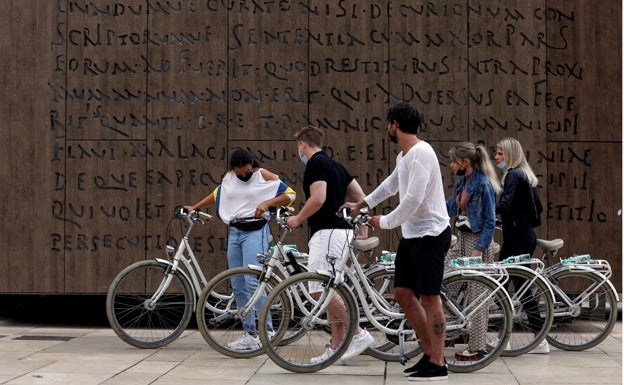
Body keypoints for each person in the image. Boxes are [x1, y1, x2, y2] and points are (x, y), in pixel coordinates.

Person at [343, 102, 451, 381]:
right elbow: (392, 184)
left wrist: (386, 221)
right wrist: (363, 203)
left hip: (432, 234)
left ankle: (438, 363)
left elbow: (413, 200)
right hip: (413, 235)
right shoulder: (405, 156)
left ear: (396, 125)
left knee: (430, 297)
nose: (387, 128)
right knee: (403, 293)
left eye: (389, 123)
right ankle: (428, 354)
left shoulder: (421, 153)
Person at [186, 149, 296, 350]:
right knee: (237, 283)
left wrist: (267, 202)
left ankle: (267, 331)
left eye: (246, 172)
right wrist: (196, 207)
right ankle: (250, 333)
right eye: (239, 173)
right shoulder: (229, 178)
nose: (243, 175)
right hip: (236, 231)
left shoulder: (262, 175)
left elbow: (290, 194)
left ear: (251, 164)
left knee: (253, 281)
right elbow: (218, 194)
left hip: (256, 230)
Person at [284, 125, 374, 364]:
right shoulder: (336, 166)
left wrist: (297, 219)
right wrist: (362, 226)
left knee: (317, 288)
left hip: (327, 233)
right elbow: (361, 197)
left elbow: (319, 198)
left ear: (303, 144)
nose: (299, 152)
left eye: (298, 147)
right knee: (331, 291)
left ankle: (358, 333)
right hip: (341, 233)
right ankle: (336, 346)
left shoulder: (315, 164)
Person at [444, 142, 501, 361]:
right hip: (460, 239)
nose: (451, 165)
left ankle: (477, 347)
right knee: (443, 282)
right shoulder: (462, 183)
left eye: (454, 161)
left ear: (465, 162)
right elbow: (450, 207)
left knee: (478, 297)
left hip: (478, 242)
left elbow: (489, 222)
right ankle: (454, 327)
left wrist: (479, 250)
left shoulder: (483, 184)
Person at [494, 137, 549, 354]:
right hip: (522, 235)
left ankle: (520, 339)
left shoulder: (514, 175)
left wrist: (484, 207)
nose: (496, 158)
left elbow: (505, 204)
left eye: (500, 154)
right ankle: (534, 339)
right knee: (515, 288)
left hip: (517, 239)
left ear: (509, 155)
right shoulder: (523, 174)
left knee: (501, 286)